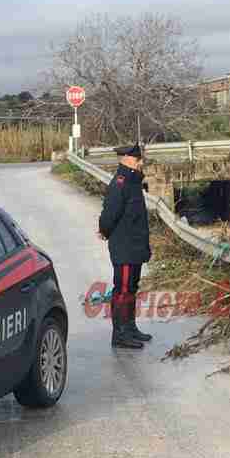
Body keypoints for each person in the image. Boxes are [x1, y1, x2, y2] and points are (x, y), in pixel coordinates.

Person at [98, 143, 152, 349]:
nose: (141, 163)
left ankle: (130, 328)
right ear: (127, 159)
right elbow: (109, 213)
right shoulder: (120, 183)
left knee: (131, 288)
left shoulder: (133, 181)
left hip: (135, 245)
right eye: (138, 159)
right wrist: (104, 230)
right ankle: (120, 334)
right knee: (122, 289)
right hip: (125, 247)